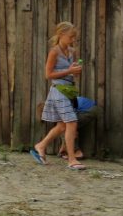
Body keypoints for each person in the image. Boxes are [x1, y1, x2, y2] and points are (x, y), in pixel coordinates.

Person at [31, 21, 85, 169]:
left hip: (68, 90)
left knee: (62, 125)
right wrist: (69, 71)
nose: (73, 40)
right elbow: (48, 74)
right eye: (71, 36)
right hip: (58, 91)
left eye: (75, 37)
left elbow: (69, 72)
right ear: (61, 34)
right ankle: (72, 160)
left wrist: (75, 71)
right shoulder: (54, 52)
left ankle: (41, 146)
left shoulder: (72, 52)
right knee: (72, 122)